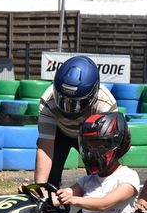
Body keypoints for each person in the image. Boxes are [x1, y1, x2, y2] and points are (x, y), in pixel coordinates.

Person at [14, 112, 139, 213]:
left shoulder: (128, 177)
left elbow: (104, 204)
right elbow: (59, 197)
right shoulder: (88, 180)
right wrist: (32, 197)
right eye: (89, 145)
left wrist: (74, 200)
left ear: (116, 144)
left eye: (98, 145)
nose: (92, 151)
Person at [35, 55, 117, 187]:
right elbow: (45, 148)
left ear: (93, 95)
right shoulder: (47, 102)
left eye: (76, 103)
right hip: (59, 133)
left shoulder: (106, 106)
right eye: (62, 100)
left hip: (92, 137)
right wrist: (40, 188)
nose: (68, 108)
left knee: (99, 182)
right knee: (48, 184)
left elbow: (108, 152)